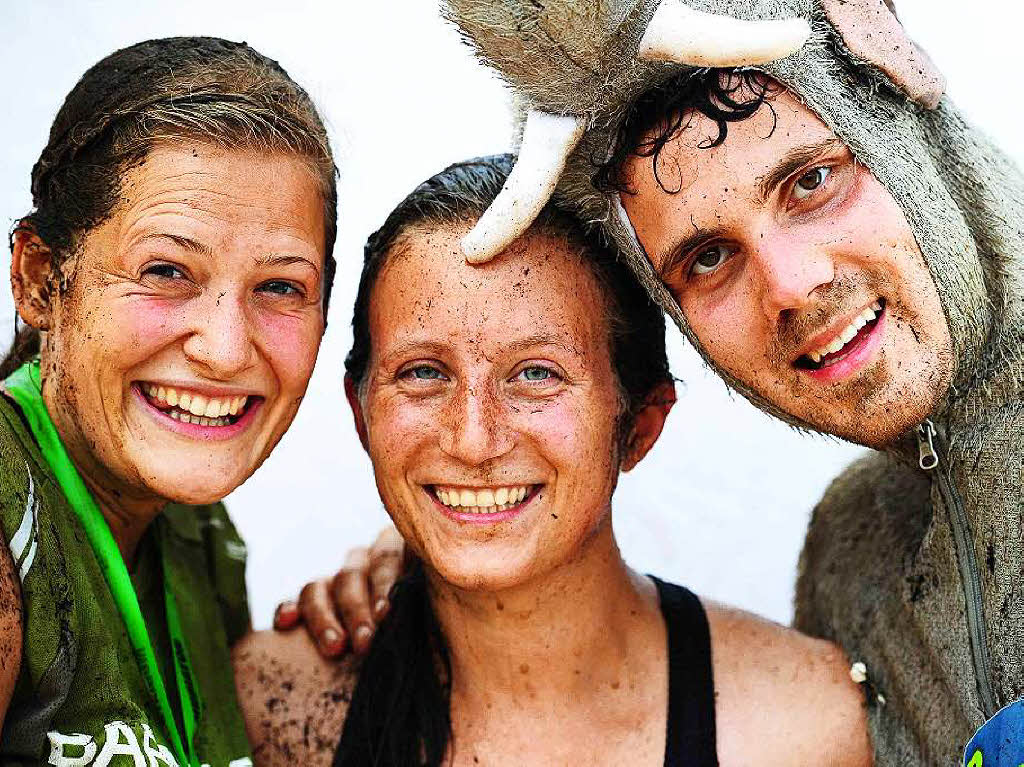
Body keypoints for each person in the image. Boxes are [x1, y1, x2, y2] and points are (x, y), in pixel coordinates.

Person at [396, 0, 1024, 763]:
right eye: (707, 258)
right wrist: (445, 569)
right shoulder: (852, 555)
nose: (790, 284)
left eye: (813, 180)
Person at [234, 155, 870, 766]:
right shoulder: (274, 707)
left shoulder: (799, 724)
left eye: (536, 375)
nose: (473, 441)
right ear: (361, 412)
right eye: (423, 373)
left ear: (640, 425)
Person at [0, 36, 358, 765]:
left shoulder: (197, 533)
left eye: (281, 286)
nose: (226, 349)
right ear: (41, 279)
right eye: (166, 269)